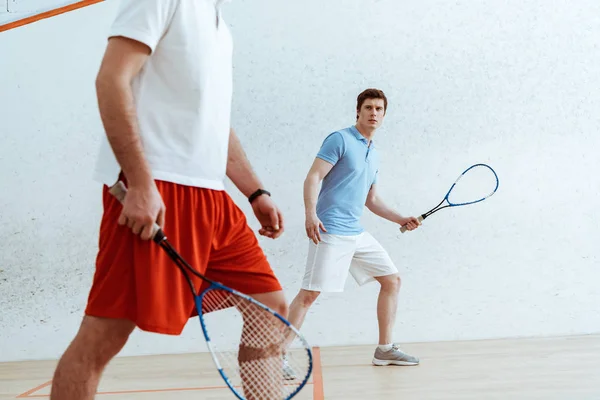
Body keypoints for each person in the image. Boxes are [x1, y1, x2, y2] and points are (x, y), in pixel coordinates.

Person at [50, 0, 288, 398]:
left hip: (212, 197)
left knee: (269, 306)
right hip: (156, 190)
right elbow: (111, 80)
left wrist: (254, 190)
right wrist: (141, 184)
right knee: (106, 332)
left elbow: (212, 119)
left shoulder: (218, 26)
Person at [285, 88, 421, 372]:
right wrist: (310, 214)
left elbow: (371, 200)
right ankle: (277, 356)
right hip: (330, 230)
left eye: (379, 109)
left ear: (384, 115)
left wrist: (399, 218)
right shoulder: (340, 140)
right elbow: (313, 177)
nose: (374, 113)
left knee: (392, 280)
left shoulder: (374, 154)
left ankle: (384, 350)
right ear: (358, 111)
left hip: (356, 233)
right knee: (309, 294)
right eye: (369, 107)